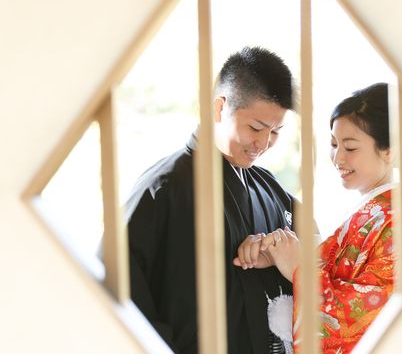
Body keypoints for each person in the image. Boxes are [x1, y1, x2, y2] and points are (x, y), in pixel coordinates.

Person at [234, 82, 402, 353]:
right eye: (333, 144)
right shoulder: (374, 215)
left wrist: (299, 270)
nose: (338, 157)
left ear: (390, 150)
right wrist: (277, 256)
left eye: (350, 148)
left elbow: (368, 323)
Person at [126, 46, 300, 354]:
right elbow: (120, 297)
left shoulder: (270, 189)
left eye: (275, 132)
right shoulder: (163, 189)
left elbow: (321, 258)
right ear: (219, 108)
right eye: (255, 127)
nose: (263, 143)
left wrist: (287, 252)